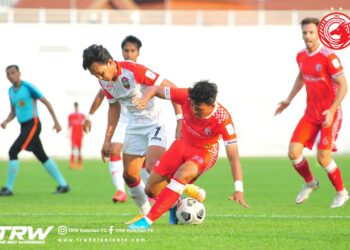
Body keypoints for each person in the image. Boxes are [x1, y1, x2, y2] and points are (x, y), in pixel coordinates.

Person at [82, 44, 185, 219]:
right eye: (95, 75)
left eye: (100, 72)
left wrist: (180, 121)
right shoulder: (104, 80)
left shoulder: (134, 70)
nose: (99, 77)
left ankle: (177, 203)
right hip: (133, 128)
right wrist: (107, 139)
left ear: (110, 62)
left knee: (153, 168)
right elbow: (113, 107)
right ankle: (147, 214)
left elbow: (173, 90)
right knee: (129, 175)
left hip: (154, 124)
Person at [128, 80, 249, 230]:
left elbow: (233, 157)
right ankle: (177, 201)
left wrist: (239, 189)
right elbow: (154, 89)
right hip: (182, 144)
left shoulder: (223, 119)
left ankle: (147, 221)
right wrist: (144, 100)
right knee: (151, 190)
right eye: (192, 105)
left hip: (204, 152)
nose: (194, 110)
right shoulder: (186, 95)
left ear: (211, 105)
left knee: (184, 173)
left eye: (199, 108)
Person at [275, 17, 349, 208]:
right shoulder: (301, 55)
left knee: (323, 157)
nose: (307, 36)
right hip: (310, 114)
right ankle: (310, 183)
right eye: (304, 33)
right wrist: (288, 100)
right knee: (293, 152)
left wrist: (332, 110)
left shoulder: (328, 57)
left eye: (311, 32)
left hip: (328, 113)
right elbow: (301, 76)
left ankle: (341, 193)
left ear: (318, 34)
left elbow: (343, 86)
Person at [83, 35, 147, 202]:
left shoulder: (136, 71)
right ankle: (120, 190)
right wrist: (89, 116)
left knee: (147, 164)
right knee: (115, 149)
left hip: (144, 119)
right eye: (126, 50)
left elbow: (157, 88)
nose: (129, 53)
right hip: (123, 117)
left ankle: (157, 195)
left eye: (133, 50)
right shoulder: (107, 75)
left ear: (138, 53)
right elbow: (103, 96)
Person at [0, 65, 69, 196]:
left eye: (13, 72)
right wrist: (6, 121)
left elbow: (46, 102)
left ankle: (8, 188)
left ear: (19, 73)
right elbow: (13, 111)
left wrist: (56, 122)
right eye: (8, 74)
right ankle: (63, 185)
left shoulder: (28, 87)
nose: (11, 76)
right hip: (24, 126)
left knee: (13, 150)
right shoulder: (10, 91)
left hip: (33, 124)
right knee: (41, 156)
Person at [68, 102, 85, 170]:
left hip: (80, 134)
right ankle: (72, 164)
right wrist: (67, 133)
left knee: (79, 150)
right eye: (75, 106)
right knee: (72, 149)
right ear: (74, 107)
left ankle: (79, 164)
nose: (76, 107)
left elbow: (85, 124)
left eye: (77, 106)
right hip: (73, 134)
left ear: (78, 106)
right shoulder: (70, 116)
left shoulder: (82, 115)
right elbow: (69, 124)